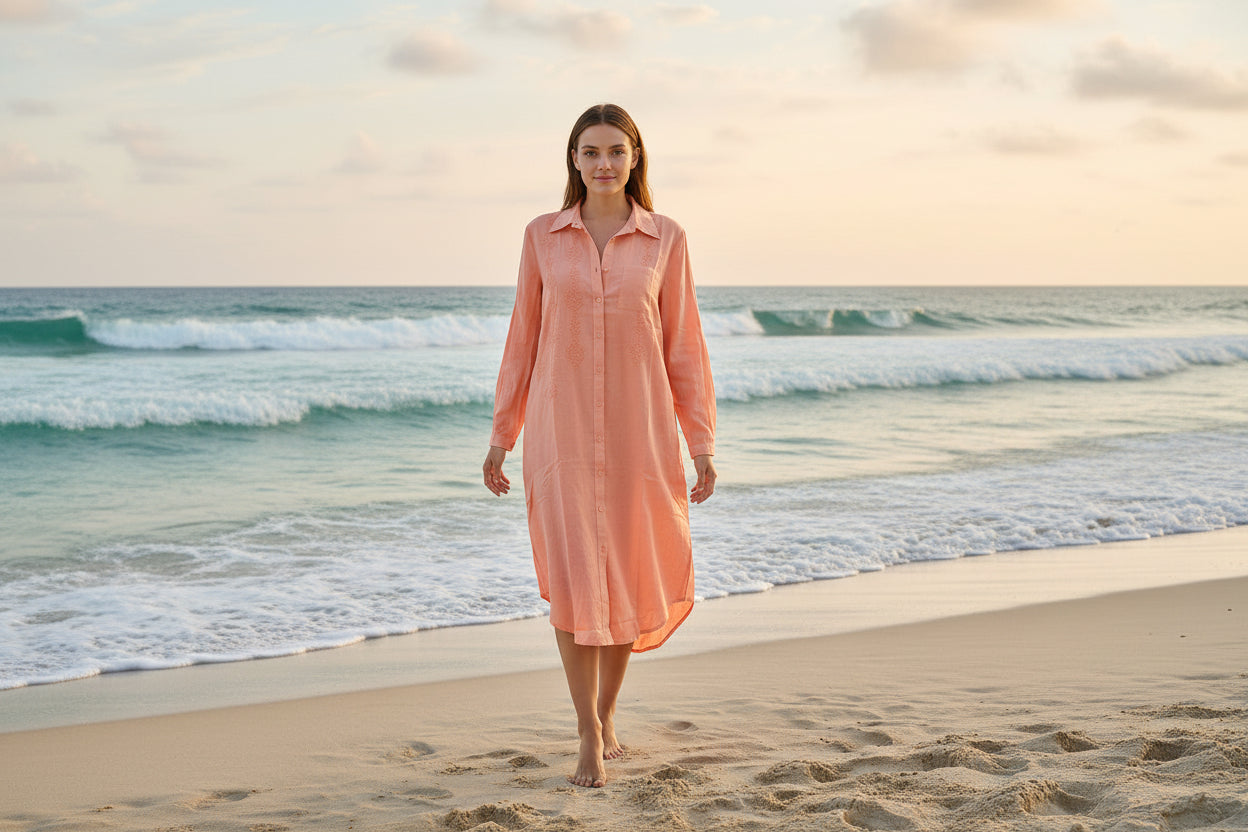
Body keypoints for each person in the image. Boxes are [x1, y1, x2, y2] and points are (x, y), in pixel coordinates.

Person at [483, 103, 716, 788]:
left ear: (635, 157)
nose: (604, 163)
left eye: (616, 151)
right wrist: (503, 435)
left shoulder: (665, 238)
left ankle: (608, 714)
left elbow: (685, 347)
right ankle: (586, 733)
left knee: (629, 577)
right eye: (591, 152)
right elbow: (522, 340)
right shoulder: (542, 237)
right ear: (573, 160)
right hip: (561, 437)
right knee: (576, 583)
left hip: (641, 436)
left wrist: (700, 441)